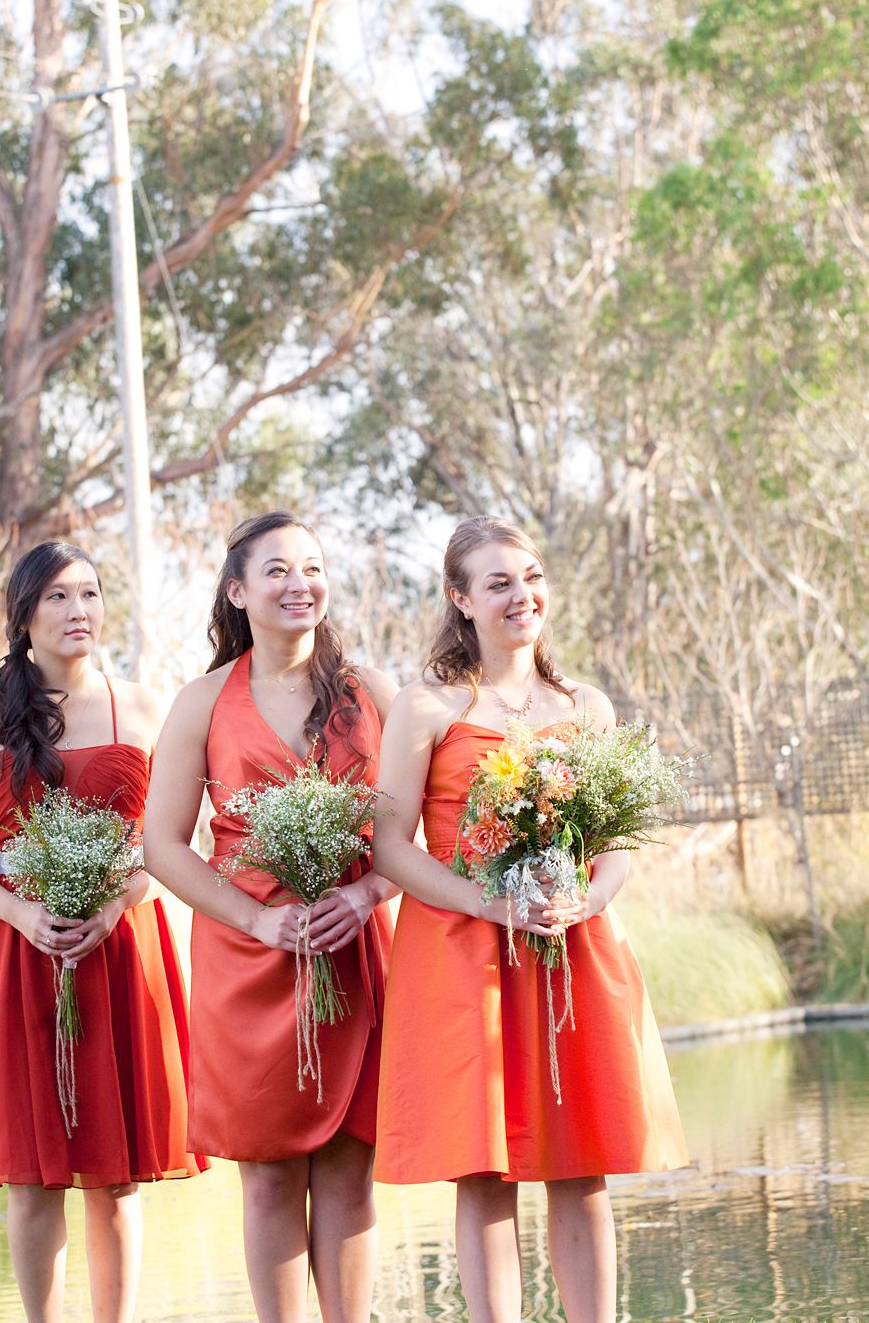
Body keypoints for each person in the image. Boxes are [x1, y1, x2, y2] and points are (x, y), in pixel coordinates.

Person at [371, 515, 687, 1323]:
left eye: (532, 576)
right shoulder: (426, 706)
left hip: (568, 945)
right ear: (460, 599)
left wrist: (590, 896)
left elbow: (617, 844)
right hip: (461, 953)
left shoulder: (586, 705)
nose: (522, 595)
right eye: (499, 582)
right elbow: (389, 849)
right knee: (483, 1167)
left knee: (581, 1164)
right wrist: (487, 901)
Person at [0, 540, 205, 1323]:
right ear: (22, 616)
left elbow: (173, 847)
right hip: (17, 954)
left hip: (121, 949)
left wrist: (118, 904)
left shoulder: (147, 708)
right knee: (35, 1172)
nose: (78, 610)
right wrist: (20, 913)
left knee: (116, 1175)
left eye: (89, 593)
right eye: (57, 597)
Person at [144, 510, 397, 1323]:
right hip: (246, 961)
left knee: (350, 1168)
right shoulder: (201, 702)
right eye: (279, 569)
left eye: (314, 567)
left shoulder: (371, 695)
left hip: (351, 953)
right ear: (238, 590)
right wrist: (255, 923)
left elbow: (418, 835)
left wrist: (364, 895)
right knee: (270, 1174)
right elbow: (162, 846)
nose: (301, 584)